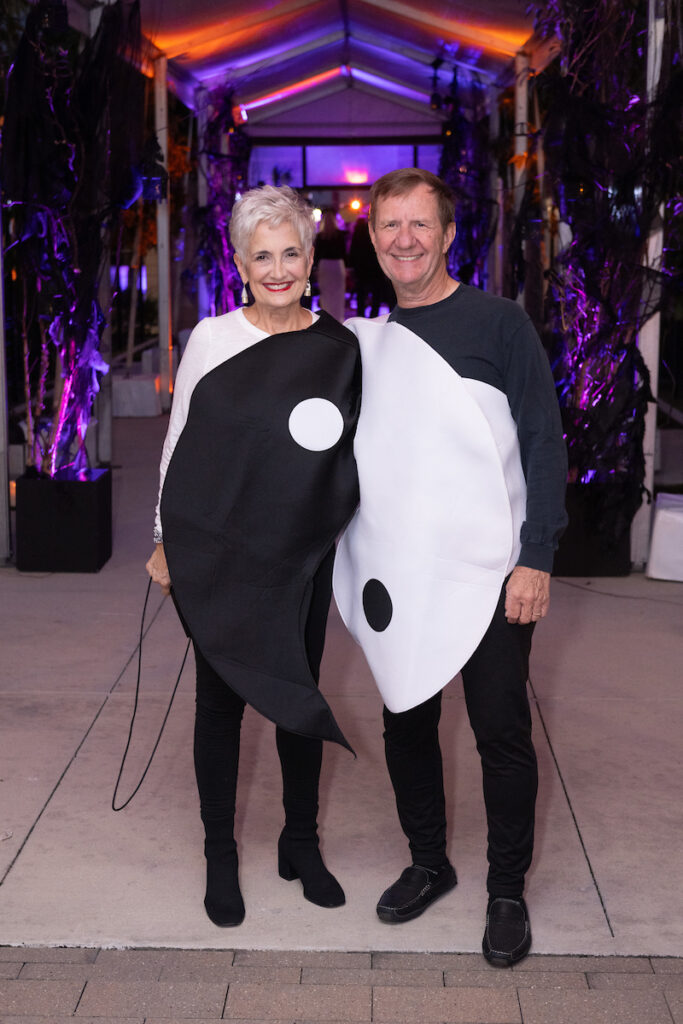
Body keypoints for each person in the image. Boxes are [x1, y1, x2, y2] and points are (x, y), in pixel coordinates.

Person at [333, 168, 567, 967]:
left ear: (447, 233)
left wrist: (535, 558)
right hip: (402, 579)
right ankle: (428, 861)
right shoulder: (365, 344)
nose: (404, 239)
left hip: (493, 573)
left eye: (419, 225)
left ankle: (507, 890)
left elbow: (542, 441)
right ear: (372, 240)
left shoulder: (499, 324)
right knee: (407, 719)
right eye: (389, 226)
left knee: (501, 732)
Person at [146, 185, 360, 928]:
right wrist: (162, 538)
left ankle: (299, 842)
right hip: (218, 549)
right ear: (240, 263)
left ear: (310, 259)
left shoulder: (339, 348)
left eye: (290, 252)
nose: (277, 269)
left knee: (297, 701)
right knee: (220, 707)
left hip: (299, 556)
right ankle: (218, 853)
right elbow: (180, 444)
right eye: (261, 255)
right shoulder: (212, 338)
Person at [313, 208, 347, 321]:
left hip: (324, 266)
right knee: (338, 295)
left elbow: (316, 254)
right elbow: (343, 252)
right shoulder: (340, 235)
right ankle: (338, 319)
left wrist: (316, 268)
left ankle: (326, 320)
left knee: (326, 295)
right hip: (337, 264)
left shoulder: (320, 236)